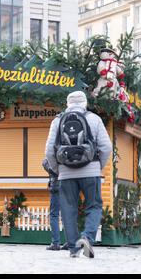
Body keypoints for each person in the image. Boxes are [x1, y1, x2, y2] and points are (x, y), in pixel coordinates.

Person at [45, 91, 112, 258]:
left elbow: (48, 151)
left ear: (67, 104)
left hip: (66, 174)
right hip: (91, 171)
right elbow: (106, 147)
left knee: (68, 210)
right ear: (85, 103)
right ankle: (87, 237)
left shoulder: (58, 120)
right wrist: (97, 166)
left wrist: (58, 169)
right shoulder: (94, 119)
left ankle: (74, 249)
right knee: (94, 205)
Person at [42, 159, 68, 251]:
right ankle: (70, 242)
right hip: (68, 186)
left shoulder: (52, 154)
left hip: (56, 187)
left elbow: (44, 163)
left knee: (54, 215)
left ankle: (56, 243)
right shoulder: (68, 154)